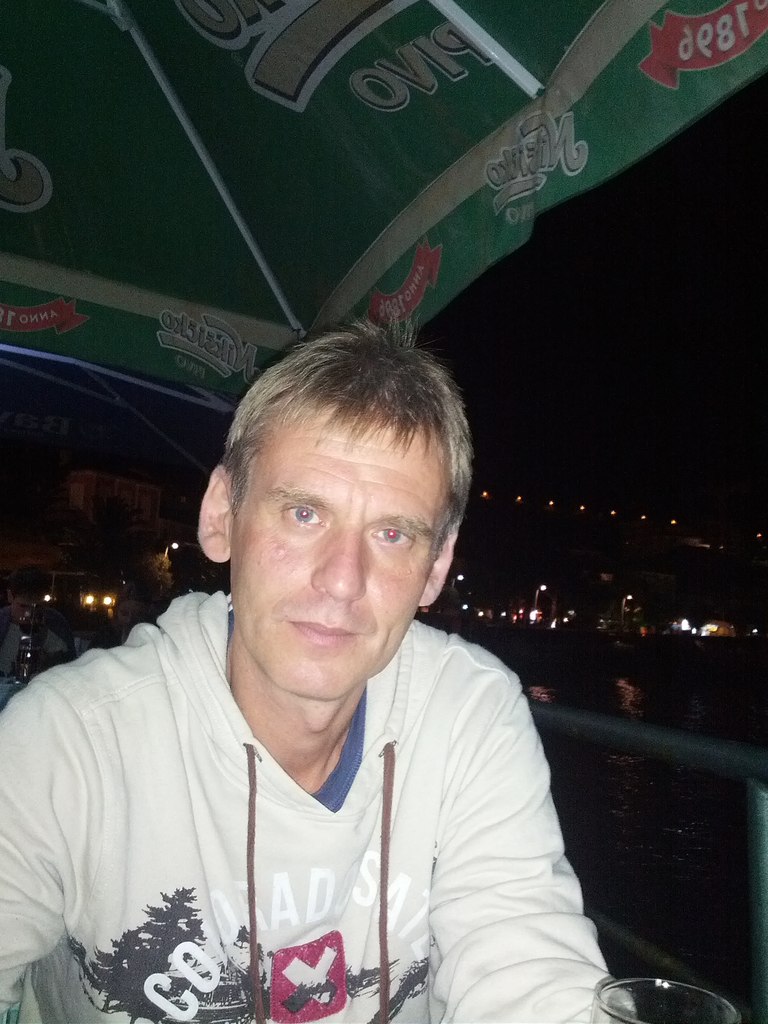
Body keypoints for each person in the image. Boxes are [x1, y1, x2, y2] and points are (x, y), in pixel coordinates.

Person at [0, 321, 607, 1023]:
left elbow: (528, 968)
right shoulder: (65, 742)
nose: (343, 580)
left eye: (392, 533)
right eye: (304, 512)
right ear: (221, 515)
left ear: (436, 566)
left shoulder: (470, 715)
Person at [0, 565, 76, 678]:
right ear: (10, 596)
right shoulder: (2, 622)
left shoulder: (56, 624)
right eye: (23, 606)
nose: (29, 613)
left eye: (37, 607)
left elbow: (69, 666)